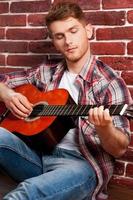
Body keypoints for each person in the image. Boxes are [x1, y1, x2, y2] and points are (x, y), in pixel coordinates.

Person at [0, 1, 132, 200]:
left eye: (73, 31)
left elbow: (120, 148)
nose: (68, 41)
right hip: (38, 156)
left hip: (81, 166)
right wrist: (8, 95)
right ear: (54, 41)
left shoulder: (109, 82)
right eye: (60, 36)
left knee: (26, 193)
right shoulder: (45, 71)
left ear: (88, 31)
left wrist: (105, 128)